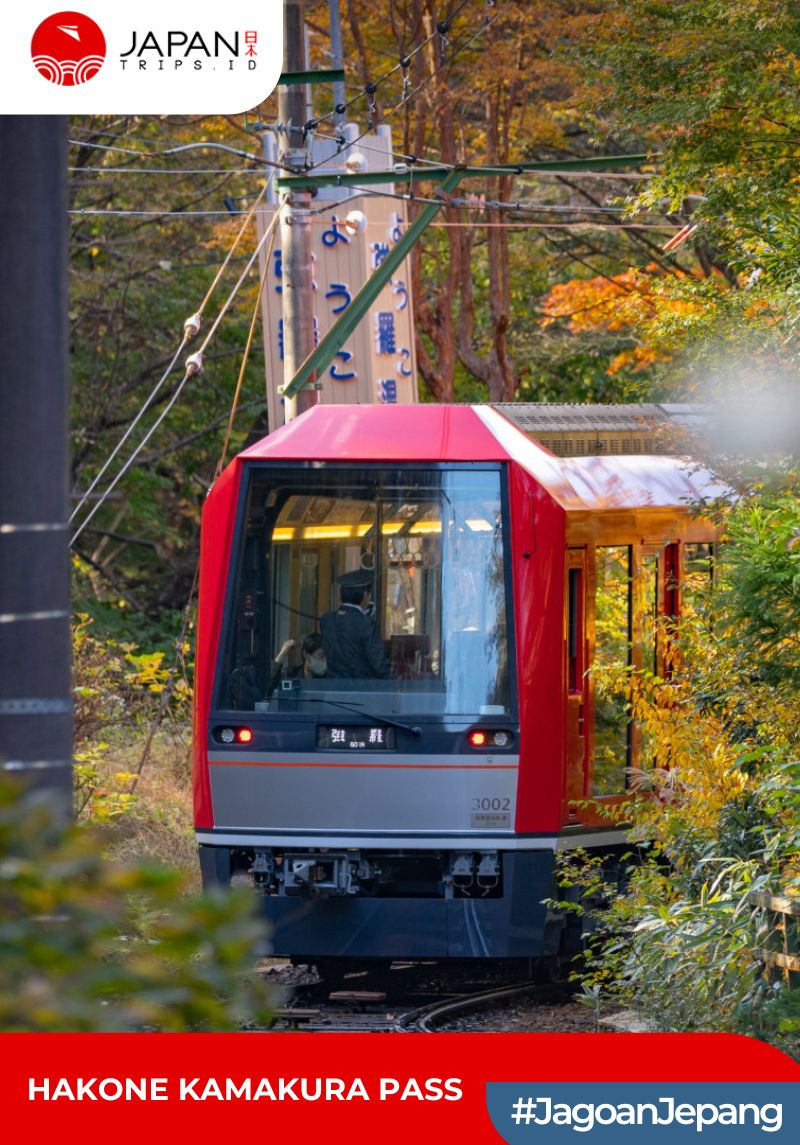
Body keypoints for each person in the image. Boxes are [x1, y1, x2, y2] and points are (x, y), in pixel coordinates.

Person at [321, 569, 392, 679]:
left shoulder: (327, 620)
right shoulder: (367, 624)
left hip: (332, 686)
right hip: (361, 687)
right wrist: (396, 682)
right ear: (365, 595)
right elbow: (379, 664)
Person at [266, 633, 328, 697]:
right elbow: (269, 691)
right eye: (321, 656)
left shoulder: (328, 679)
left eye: (327, 657)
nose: (325, 661)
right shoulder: (290, 674)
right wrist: (282, 654)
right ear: (306, 655)